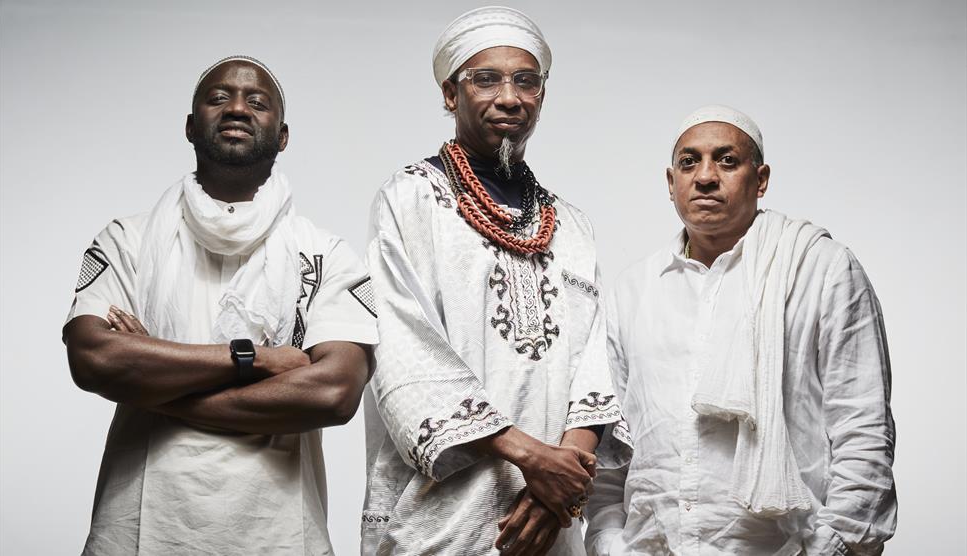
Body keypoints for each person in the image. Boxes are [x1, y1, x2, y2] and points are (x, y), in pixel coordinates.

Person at [63, 55, 378, 555]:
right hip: (141, 531)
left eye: (257, 102)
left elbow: (334, 392)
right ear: (190, 127)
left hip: (277, 535)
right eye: (218, 98)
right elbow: (93, 359)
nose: (237, 108)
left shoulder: (327, 254)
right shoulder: (127, 240)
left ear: (283, 135)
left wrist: (157, 384)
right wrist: (255, 359)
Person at [361, 7, 632, 555]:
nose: (509, 97)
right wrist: (532, 459)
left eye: (525, 81)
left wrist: (559, 484)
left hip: (549, 520)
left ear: (542, 95)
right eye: (486, 79)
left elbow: (596, 361)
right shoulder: (411, 199)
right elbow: (404, 350)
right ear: (450, 94)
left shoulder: (571, 224)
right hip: (442, 514)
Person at [585, 105, 897, 555]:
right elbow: (611, 445)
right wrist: (608, 542)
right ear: (671, 183)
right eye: (689, 162)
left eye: (727, 161)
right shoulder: (634, 289)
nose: (706, 176)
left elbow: (863, 428)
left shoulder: (820, 269)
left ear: (762, 178)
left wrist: (835, 547)